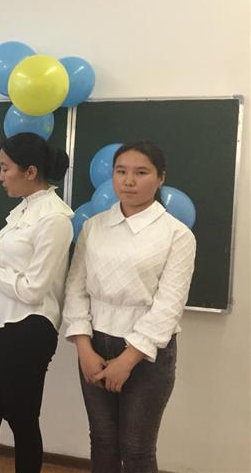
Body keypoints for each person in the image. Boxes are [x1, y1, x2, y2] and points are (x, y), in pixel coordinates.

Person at [63, 140, 196, 473]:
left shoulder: (177, 235)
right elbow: (75, 288)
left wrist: (128, 359)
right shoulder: (93, 227)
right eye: (121, 172)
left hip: (147, 354)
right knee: (102, 441)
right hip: (94, 343)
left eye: (141, 173)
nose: (129, 181)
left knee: (137, 450)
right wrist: (83, 348)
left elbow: (169, 306)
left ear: (160, 178)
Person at [0, 132, 73, 473]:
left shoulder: (54, 219)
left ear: (30, 171)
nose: (0, 176)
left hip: (28, 329)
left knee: (22, 421)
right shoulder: (24, 208)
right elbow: (11, 271)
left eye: (5, 168)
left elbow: (33, 290)